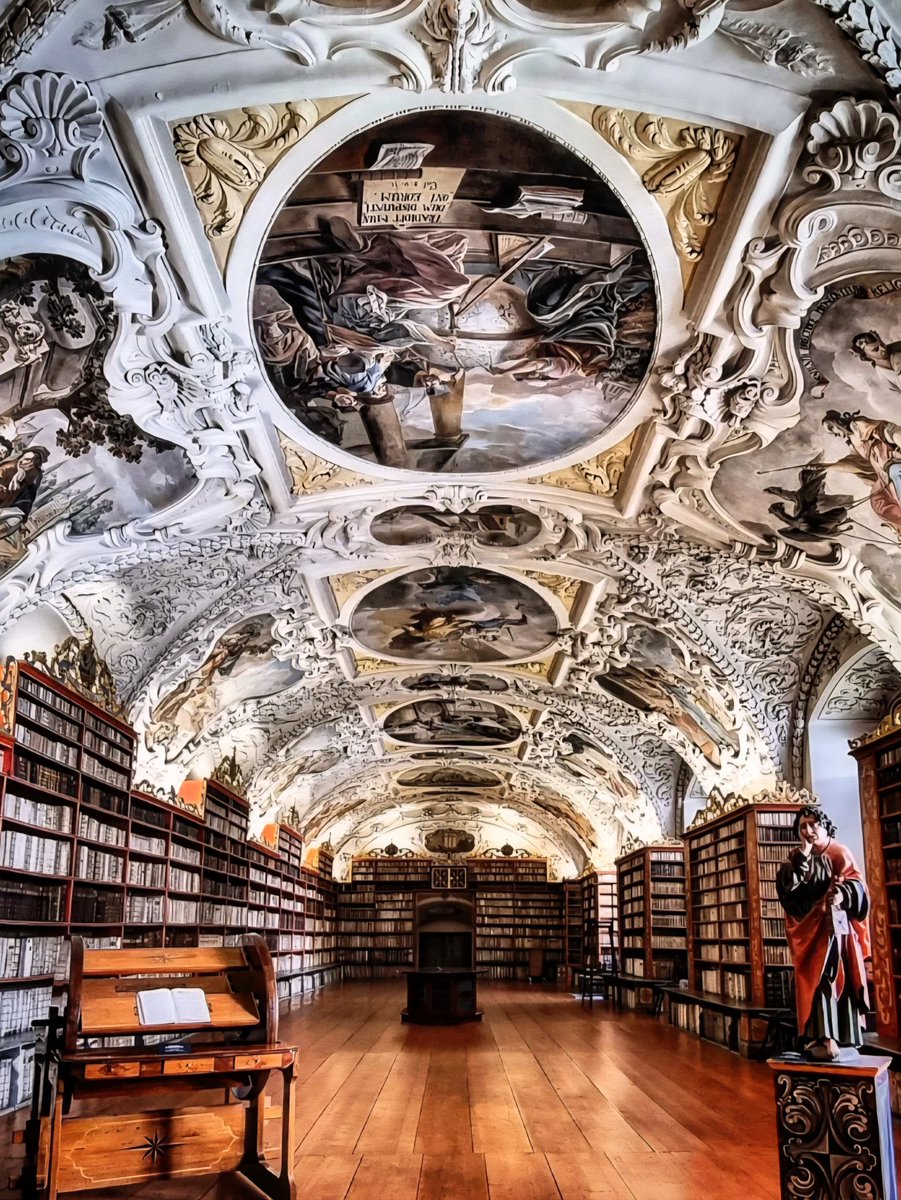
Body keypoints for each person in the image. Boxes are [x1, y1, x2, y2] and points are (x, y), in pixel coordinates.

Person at [776, 805, 871, 1060]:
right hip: (811, 933)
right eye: (802, 827)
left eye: (812, 825)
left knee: (836, 979)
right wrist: (803, 859)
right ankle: (820, 1037)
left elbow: (858, 886)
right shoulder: (797, 858)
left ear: (824, 826)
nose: (808, 831)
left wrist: (843, 893)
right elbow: (789, 892)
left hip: (836, 933)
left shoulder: (838, 852)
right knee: (816, 984)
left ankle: (841, 1037)